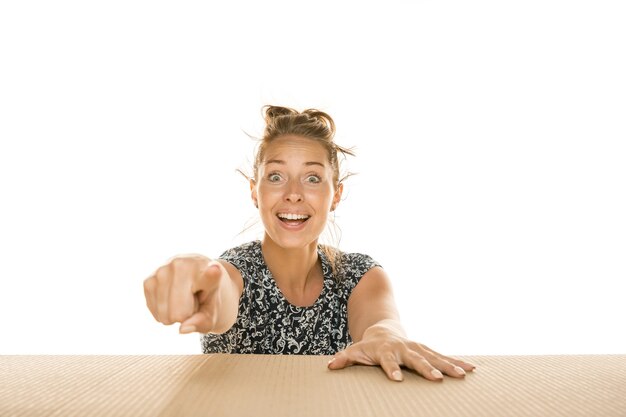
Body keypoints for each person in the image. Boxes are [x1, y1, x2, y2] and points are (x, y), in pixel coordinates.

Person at [143, 105, 475, 382]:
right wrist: (200, 284)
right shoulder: (234, 271)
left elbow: (380, 322)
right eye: (275, 176)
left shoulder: (360, 275)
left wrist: (385, 336)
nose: (293, 192)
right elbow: (220, 291)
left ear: (336, 195)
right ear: (254, 192)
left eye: (313, 178)